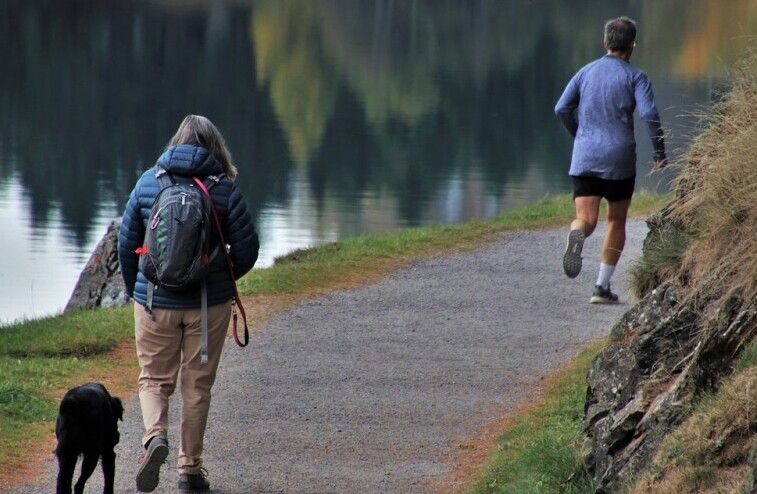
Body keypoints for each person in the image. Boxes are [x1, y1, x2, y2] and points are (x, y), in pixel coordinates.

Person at [118, 115, 259, 492]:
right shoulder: (224, 190)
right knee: (197, 387)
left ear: (175, 142)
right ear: (216, 148)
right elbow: (247, 250)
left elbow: (125, 243)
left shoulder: (149, 182)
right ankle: (190, 470)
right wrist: (219, 283)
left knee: (153, 379)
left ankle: (154, 437)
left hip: (153, 303)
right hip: (205, 307)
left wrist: (137, 290)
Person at [554, 16, 666, 304]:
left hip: (585, 155)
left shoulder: (585, 73)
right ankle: (601, 288)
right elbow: (649, 114)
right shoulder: (636, 77)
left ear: (604, 43)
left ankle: (577, 233)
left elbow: (562, 108)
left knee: (586, 218)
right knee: (616, 220)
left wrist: (579, 135)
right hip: (619, 158)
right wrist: (659, 151)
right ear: (631, 47)